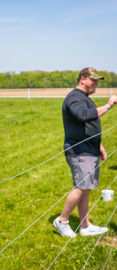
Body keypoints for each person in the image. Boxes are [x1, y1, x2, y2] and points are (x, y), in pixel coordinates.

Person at [53, 67, 117, 237]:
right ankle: (62, 220)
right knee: (82, 187)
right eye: (93, 79)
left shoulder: (84, 98)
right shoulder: (75, 97)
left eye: (97, 80)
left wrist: (99, 145)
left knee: (86, 187)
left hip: (90, 149)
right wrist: (108, 106)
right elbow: (84, 115)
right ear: (82, 79)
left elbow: (88, 126)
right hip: (79, 150)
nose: (96, 83)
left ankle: (85, 225)